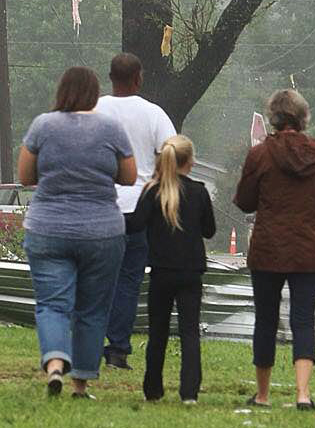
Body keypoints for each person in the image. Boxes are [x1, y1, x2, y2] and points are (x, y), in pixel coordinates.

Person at [18, 65, 137, 398]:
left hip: (48, 228)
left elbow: (26, 175)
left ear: (61, 90)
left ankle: (55, 364)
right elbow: (129, 176)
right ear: (94, 93)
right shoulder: (111, 128)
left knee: (52, 304)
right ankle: (80, 383)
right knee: (92, 309)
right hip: (101, 231)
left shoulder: (43, 125)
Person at [234, 88, 315, 410]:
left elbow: (244, 201)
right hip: (311, 248)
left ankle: (264, 395)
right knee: (304, 319)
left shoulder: (260, 155)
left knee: (265, 319)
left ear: (273, 118)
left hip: (269, 247)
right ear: (303, 117)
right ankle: (303, 394)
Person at [94, 53, 176, 372]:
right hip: (137, 208)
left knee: (97, 277)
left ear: (110, 77)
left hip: (99, 205)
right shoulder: (153, 114)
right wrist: (156, 182)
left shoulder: (95, 110)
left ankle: (87, 341)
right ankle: (117, 348)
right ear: (139, 78)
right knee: (129, 279)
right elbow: (173, 153)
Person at [129, 134, 216, 404]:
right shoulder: (199, 191)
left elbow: (135, 224)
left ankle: (153, 388)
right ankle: (189, 391)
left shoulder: (153, 191)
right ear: (190, 161)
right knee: (189, 331)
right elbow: (209, 231)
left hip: (161, 271)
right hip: (191, 271)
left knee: (159, 331)